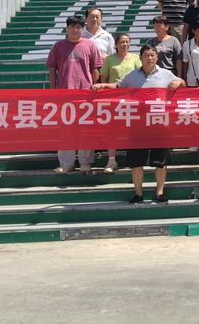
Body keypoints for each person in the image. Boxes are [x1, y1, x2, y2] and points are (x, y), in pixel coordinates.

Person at [93, 45, 185, 204]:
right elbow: (118, 85)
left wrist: (178, 82)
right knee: (136, 163)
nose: (150, 58)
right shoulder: (133, 75)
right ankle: (138, 193)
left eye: (152, 55)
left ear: (157, 57)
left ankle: (159, 193)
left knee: (161, 163)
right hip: (138, 124)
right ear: (140, 58)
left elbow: (182, 82)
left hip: (159, 123)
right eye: (146, 55)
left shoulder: (165, 74)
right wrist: (103, 85)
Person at [47, 15, 102, 174]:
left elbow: (95, 69)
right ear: (67, 28)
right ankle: (66, 163)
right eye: (72, 27)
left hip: (86, 93)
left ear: (82, 29)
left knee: (85, 128)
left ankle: (85, 162)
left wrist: (95, 89)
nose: (75, 30)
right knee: (66, 129)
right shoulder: (58, 46)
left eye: (78, 27)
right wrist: (53, 91)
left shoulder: (90, 45)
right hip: (64, 93)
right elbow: (52, 70)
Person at [99, 32, 142, 173]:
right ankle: (112, 160)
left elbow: (141, 76)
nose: (125, 44)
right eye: (122, 42)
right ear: (116, 45)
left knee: (133, 129)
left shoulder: (135, 58)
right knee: (112, 129)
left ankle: (134, 160)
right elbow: (104, 79)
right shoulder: (109, 59)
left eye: (127, 42)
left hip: (132, 99)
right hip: (114, 98)